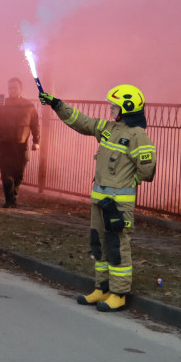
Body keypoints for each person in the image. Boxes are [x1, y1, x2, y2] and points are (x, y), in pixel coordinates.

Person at [39, 84, 157, 312]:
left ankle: (119, 294)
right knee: (99, 245)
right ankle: (102, 289)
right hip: (99, 202)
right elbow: (81, 121)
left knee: (117, 246)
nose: (111, 109)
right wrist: (56, 104)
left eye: (115, 106)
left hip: (118, 205)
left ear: (127, 109)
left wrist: (128, 182)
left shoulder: (137, 136)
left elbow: (147, 171)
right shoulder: (108, 128)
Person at [0, 77, 40, 208]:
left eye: (14, 88)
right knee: (6, 172)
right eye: (10, 88)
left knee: (19, 173)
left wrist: (36, 141)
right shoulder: (2, 104)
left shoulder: (28, 106)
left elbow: (35, 124)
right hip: (4, 143)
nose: (12, 90)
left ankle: (13, 195)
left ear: (20, 89)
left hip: (21, 144)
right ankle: (9, 200)